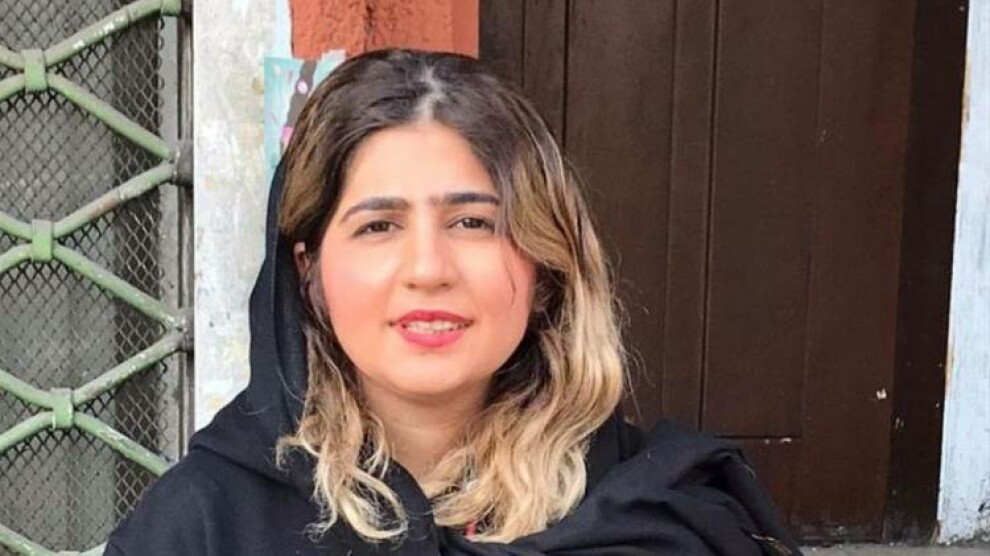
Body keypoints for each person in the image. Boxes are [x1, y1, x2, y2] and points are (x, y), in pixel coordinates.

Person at [106, 48, 800, 555]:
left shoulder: (670, 520)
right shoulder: (203, 528)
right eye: (379, 226)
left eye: (473, 222)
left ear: (546, 265)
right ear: (309, 272)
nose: (429, 269)